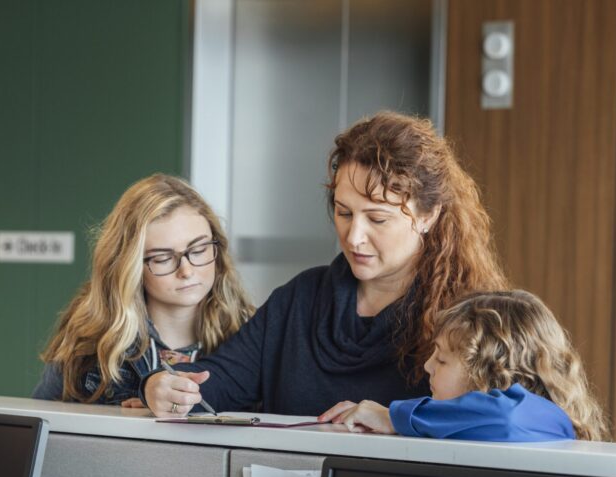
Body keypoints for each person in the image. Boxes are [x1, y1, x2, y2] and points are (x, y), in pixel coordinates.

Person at [143, 111, 508, 417]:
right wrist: (162, 385)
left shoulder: (469, 315)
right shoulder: (301, 298)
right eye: (343, 212)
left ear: (429, 214)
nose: (353, 237)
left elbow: (520, 417)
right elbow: (220, 379)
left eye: (377, 219)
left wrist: (402, 419)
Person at [33, 174, 254, 404]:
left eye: (198, 250)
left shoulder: (250, 331)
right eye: (162, 258)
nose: (186, 271)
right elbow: (46, 423)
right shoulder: (91, 336)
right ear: (130, 266)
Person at [319, 290, 611, 442]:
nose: (428, 367)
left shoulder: (544, 418)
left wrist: (394, 418)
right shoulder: (460, 431)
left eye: (443, 359)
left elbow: (507, 417)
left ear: (491, 373)